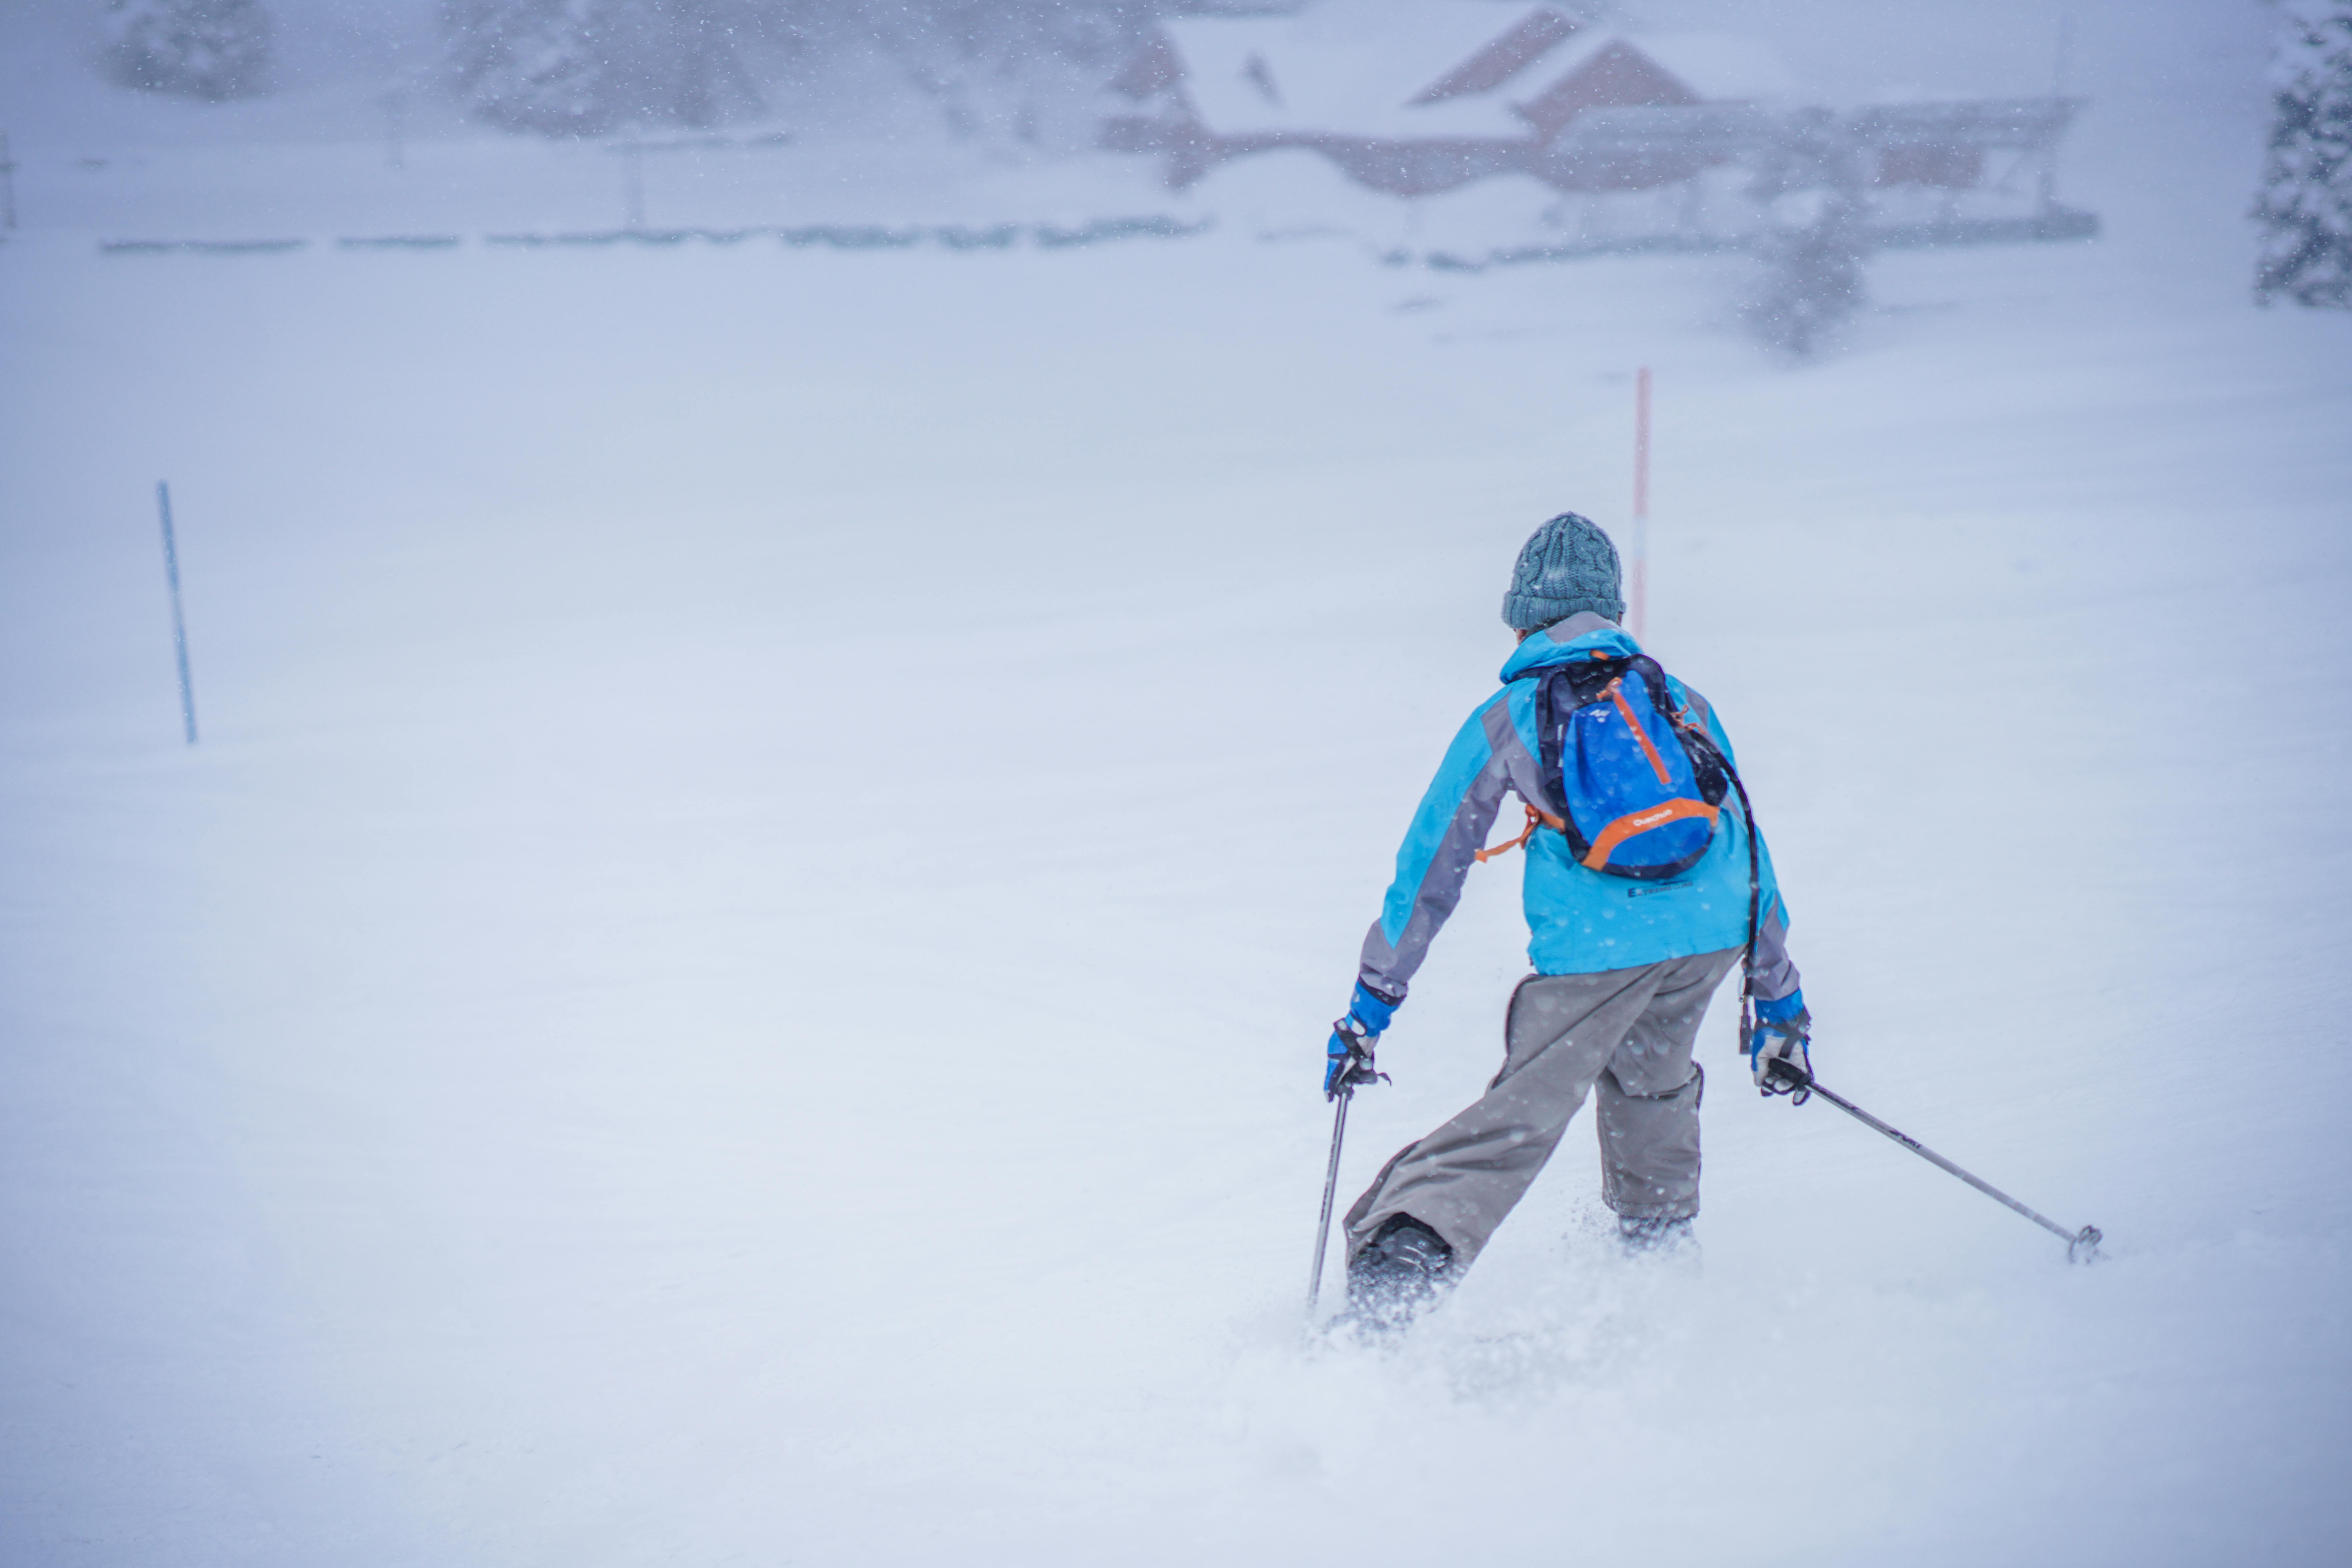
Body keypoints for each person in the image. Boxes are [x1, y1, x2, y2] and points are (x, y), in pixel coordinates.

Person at [1325, 513, 1811, 1329]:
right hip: (1713, 937)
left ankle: (1405, 1258)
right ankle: (1657, 1270)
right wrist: (1781, 1005)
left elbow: (1432, 866)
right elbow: (1748, 845)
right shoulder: (1679, 700)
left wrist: (1373, 1003)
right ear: (1610, 612)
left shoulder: (1513, 713)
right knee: (1652, 1082)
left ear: (1523, 618)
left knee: (1526, 1109)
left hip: (1598, 950)